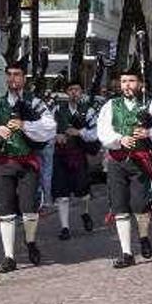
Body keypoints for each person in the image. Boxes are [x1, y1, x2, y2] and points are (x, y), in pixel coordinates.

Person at [0, 60, 57, 273]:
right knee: (5, 210)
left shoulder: (35, 102)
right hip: (4, 162)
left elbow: (50, 126)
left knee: (29, 206)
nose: (12, 78)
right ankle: (9, 256)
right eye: (9, 74)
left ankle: (30, 242)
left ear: (24, 78)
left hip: (28, 161)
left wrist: (25, 125)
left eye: (17, 74)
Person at [96, 64, 152, 268]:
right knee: (119, 206)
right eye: (123, 81)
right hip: (117, 162)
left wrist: (150, 134)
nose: (127, 85)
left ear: (140, 84)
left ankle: (144, 236)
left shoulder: (151, 106)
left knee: (140, 204)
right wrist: (119, 139)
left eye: (131, 81)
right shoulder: (110, 106)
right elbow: (103, 131)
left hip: (140, 161)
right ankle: (126, 252)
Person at [52, 80, 99, 240]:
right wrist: (56, 136)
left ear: (81, 92)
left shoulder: (89, 111)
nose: (74, 92)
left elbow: (96, 133)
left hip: (79, 155)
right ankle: (64, 227)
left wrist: (79, 133)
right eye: (70, 89)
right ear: (66, 92)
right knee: (62, 193)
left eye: (77, 89)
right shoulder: (58, 109)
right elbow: (47, 128)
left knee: (82, 191)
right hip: (61, 156)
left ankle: (85, 213)